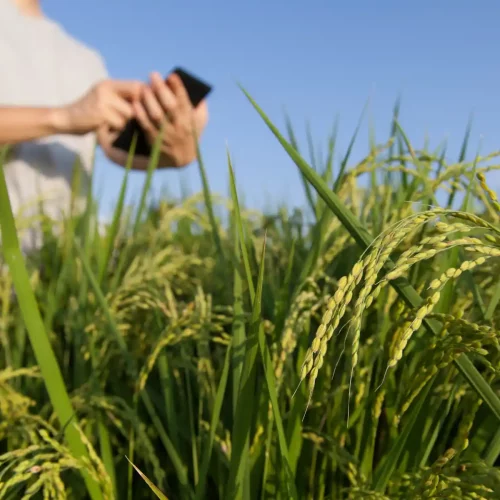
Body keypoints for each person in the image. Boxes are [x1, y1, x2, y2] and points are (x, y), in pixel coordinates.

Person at [0, 0, 208, 250]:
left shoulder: (84, 58)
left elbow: (115, 148)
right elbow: (73, 118)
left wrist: (175, 151)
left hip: (64, 263)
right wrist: (64, 118)